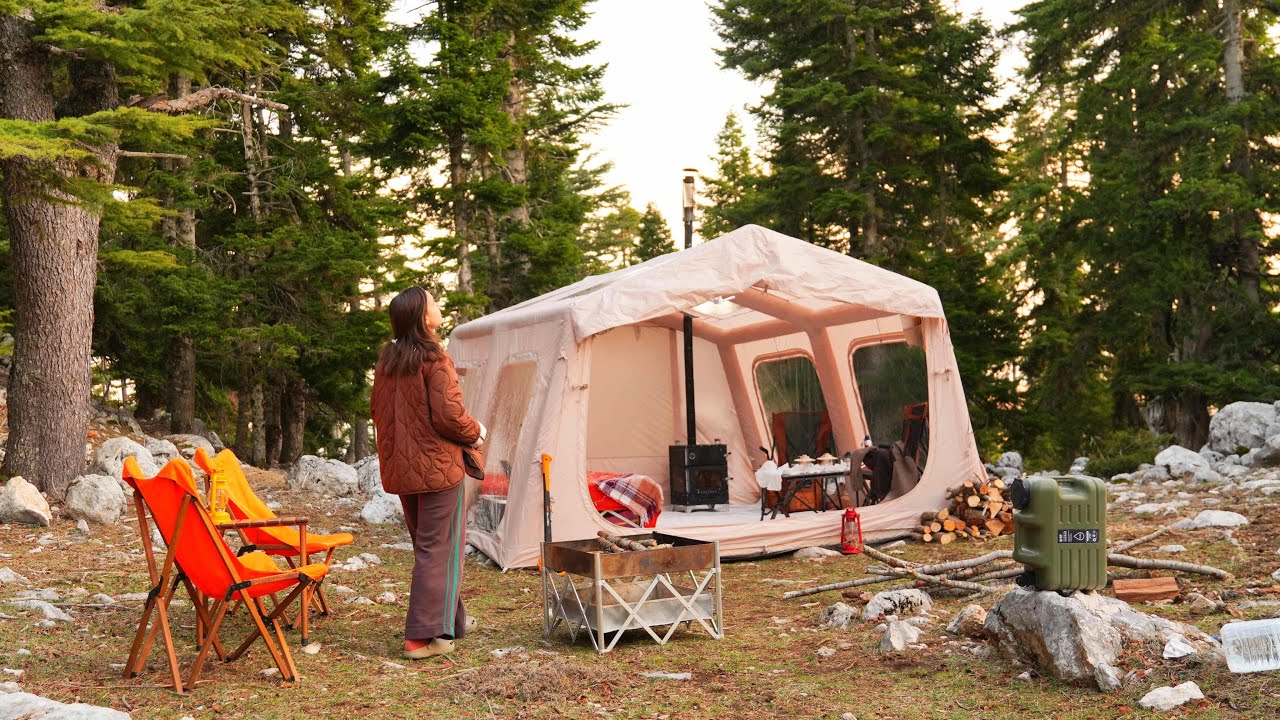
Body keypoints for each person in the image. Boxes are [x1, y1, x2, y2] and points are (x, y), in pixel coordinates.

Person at [370, 287, 486, 659]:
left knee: (432, 548)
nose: (437, 306)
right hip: (438, 469)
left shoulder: (388, 362)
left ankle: (453, 620)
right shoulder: (434, 358)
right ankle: (421, 637)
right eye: (432, 302)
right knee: (438, 549)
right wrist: (477, 432)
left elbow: (378, 414)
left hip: (404, 470)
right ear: (422, 316)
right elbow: (450, 415)